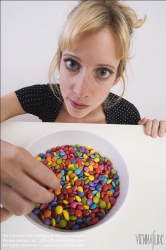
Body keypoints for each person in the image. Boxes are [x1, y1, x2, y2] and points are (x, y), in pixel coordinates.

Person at [1, 0, 165, 223]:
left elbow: (140, 172)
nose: (80, 90)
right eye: (72, 64)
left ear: (117, 78)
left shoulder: (126, 114)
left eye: (103, 72)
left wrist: (151, 135)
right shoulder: (44, 96)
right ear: (59, 61)